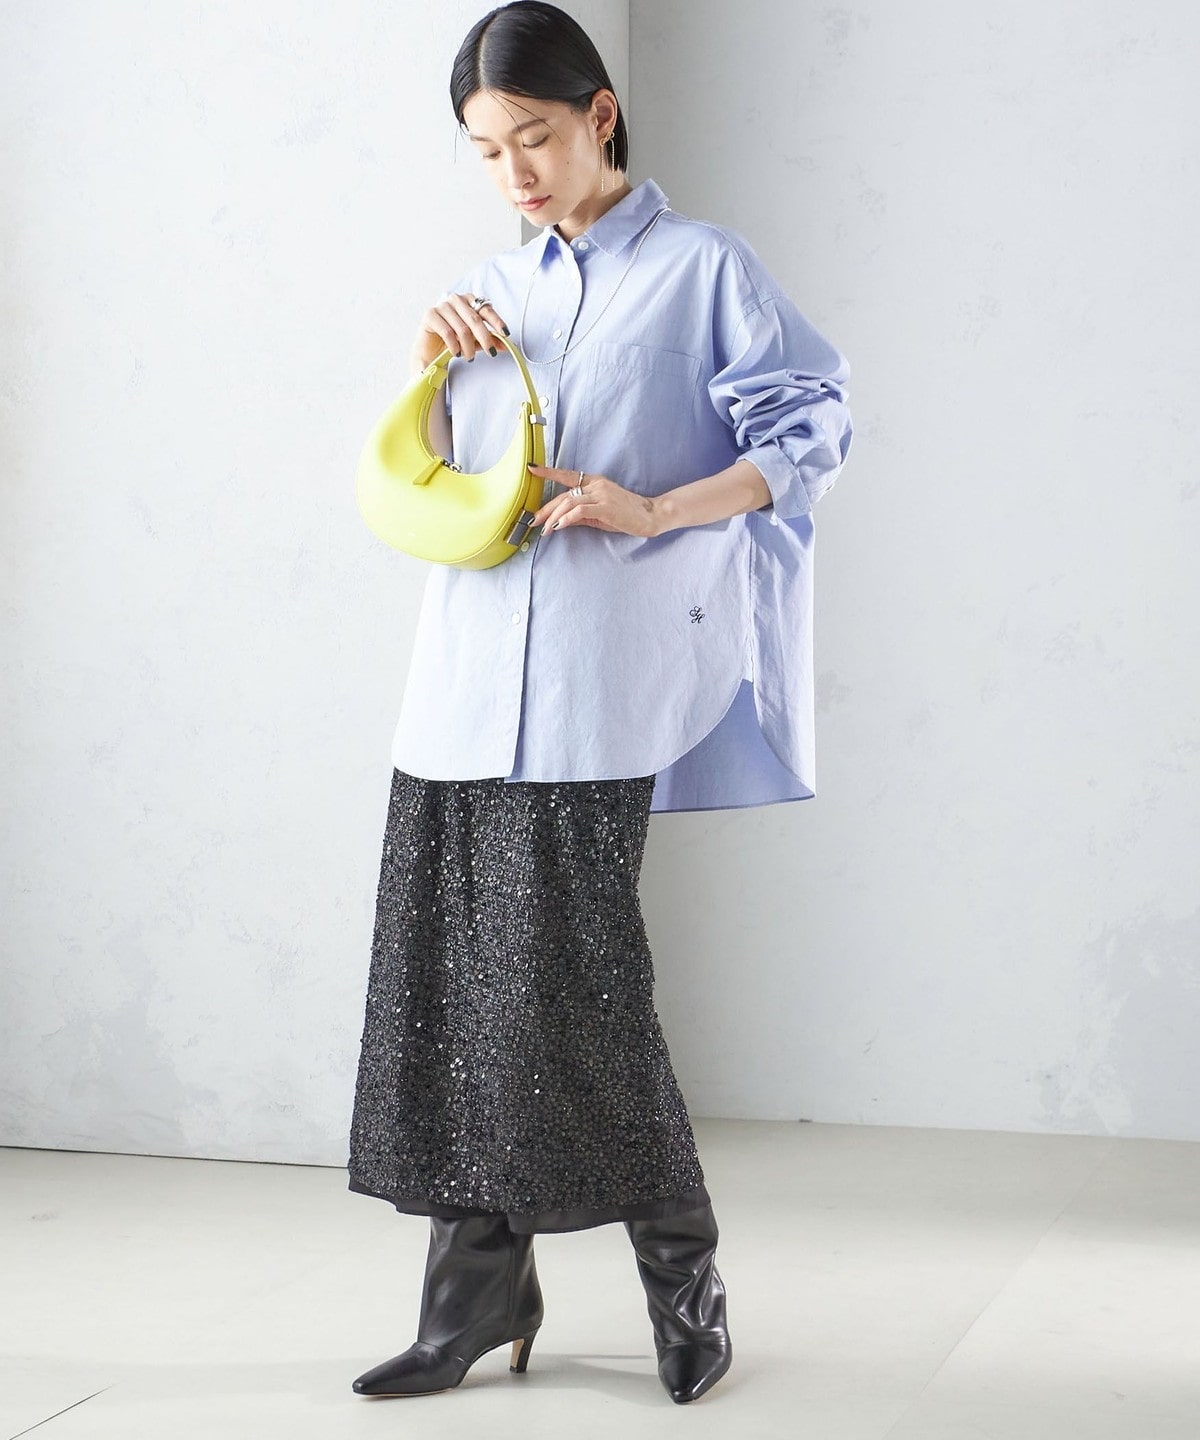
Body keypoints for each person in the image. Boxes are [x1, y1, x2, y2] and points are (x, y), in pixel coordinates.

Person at [346, 0, 853, 1407]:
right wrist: (431, 367)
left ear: (599, 114)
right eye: (486, 149)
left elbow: (812, 428)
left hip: (597, 683)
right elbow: (450, 486)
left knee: (579, 993)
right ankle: (472, 1301)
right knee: (455, 994)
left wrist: (653, 510)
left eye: (535, 136)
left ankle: (684, 1283)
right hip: (462, 688)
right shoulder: (486, 290)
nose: (514, 171)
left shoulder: (704, 269)